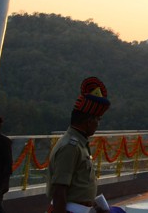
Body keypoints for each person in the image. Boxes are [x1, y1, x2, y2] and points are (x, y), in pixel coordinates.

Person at [47, 77, 110, 213]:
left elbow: (78, 186)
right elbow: (59, 190)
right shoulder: (71, 147)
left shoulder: (80, 144)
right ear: (88, 121)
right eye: (97, 120)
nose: (98, 124)